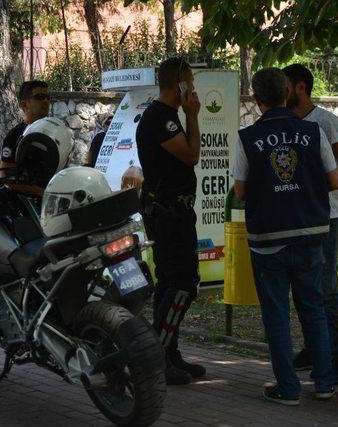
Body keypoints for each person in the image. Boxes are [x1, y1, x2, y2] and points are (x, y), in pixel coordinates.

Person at [233, 67, 338, 406]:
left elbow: (240, 192)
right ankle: (325, 383)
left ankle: (288, 389)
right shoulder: (312, 131)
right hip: (311, 234)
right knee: (314, 309)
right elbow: (334, 181)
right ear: (286, 94)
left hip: (268, 241)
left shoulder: (246, 138)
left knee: (276, 316)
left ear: (257, 99)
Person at [283, 64, 338, 384]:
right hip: (295, 220)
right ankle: (314, 348)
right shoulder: (283, 123)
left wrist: (322, 193)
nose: (280, 91)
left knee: (326, 289)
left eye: (285, 86)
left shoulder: (326, 122)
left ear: (300, 88)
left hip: (325, 220)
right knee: (302, 288)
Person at [135, 57, 205, 385]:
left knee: (170, 283)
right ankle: (158, 357)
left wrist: (187, 115)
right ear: (178, 84)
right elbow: (192, 154)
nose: (193, 88)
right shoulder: (161, 118)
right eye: (189, 81)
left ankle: (168, 352)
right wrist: (192, 115)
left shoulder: (167, 117)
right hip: (168, 214)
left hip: (173, 212)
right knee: (182, 285)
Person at [0, 80, 51, 196]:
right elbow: (6, 175)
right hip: (27, 206)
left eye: (48, 97)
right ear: (24, 104)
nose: (46, 101)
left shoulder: (56, 131)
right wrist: (43, 193)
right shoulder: (15, 135)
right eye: (39, 97)